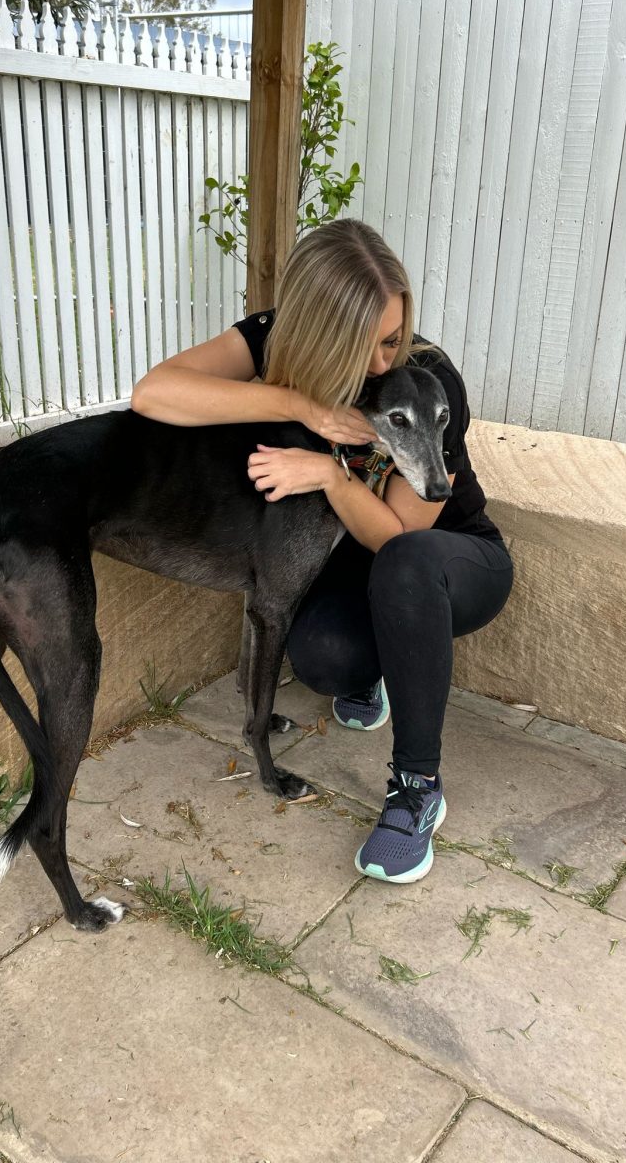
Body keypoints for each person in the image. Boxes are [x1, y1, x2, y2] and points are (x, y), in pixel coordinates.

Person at [131, 218, 513, 884]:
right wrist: (299, 405)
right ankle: (382, 666)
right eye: (356, 344)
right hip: (356, 574)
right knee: (323, 660)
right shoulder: (272, 342)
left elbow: (400, 535)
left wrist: (331, 476)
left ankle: (418, 788)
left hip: (448, 561)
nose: (377, 363)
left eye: (391, 339)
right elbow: (154, 393)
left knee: (406, 566)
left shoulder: (426, 384)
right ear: (313, 330)